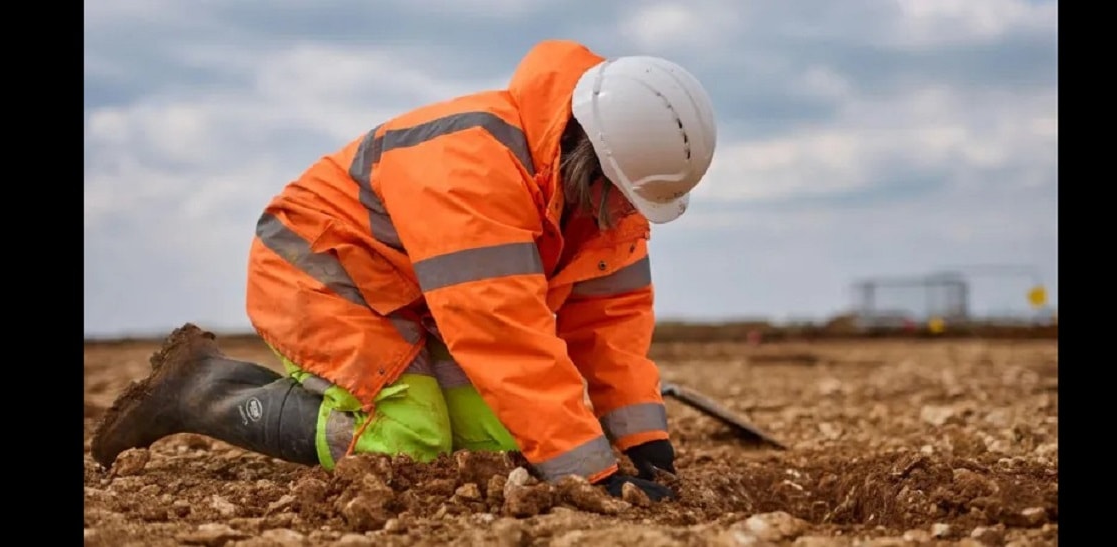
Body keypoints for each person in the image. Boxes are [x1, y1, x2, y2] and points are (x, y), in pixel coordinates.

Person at [89, 39, 717, 502]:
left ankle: (282, 391)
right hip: (318, 271)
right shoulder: (473, 169)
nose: (631, 216)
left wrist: (645, 446)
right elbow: (503, 336)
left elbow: (608, 329)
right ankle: (200, 391)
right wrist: (593, 478)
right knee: (411, 435)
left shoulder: (606, 204)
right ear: (590, 158)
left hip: (415, 298)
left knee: (498, 436)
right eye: (628, 198)